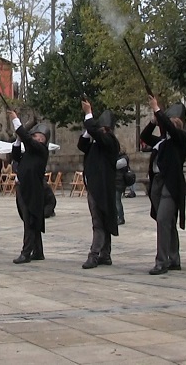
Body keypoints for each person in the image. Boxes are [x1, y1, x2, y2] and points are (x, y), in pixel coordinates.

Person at [140, 96, 186, 275]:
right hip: (158, 183)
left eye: (175, 121)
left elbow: (172, 130)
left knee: (163, 220)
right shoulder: (162, 140)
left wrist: (157, 109)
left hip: (171, 184)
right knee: (166, 222)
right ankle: (174, 258)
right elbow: (144, 136)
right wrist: (153, 121)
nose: (171, 123)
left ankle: (162, 261)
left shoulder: (181, 138)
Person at [78, 101, 120, 270]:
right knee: (101, 220)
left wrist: (88, 113)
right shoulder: (96, 143)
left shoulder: (109, 141)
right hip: (94, 186)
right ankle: (105, 253)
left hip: (102, 187)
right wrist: (89, 131)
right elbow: (82, 145)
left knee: (99, 221)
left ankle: (94, 254)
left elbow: (96, 132)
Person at [9, 111, 50, 264]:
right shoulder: (30, 153)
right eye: (36, 136)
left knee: (30, 221)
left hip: (33, 190)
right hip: (23, 188)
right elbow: (15, 156)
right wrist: (18, 140)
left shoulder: (41, 151)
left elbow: (28, 140)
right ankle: (38, 251)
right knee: (32, 219)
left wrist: (15, 120)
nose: (38, 139)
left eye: (42, 138)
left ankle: (26, 252)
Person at [115, 152, 131, 224]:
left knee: (117, 200)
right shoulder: (119, 158)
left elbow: (114, 165)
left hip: (118, 182)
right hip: (116, 182)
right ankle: (117, 217)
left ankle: (121, 218)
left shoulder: (123, 159)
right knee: (115, 201)